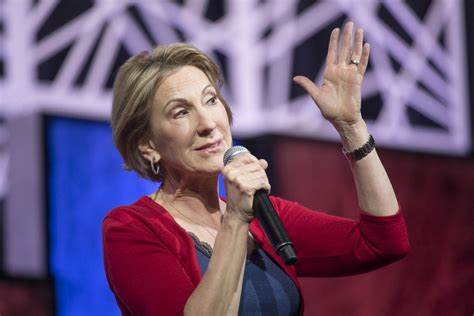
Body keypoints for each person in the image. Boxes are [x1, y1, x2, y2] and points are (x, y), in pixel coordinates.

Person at [102, 22, 410, 316]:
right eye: (181, 112)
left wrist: (351, 126)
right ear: (147, 144)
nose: (208, 124)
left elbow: (383, 243)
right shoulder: (131, 229)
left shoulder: (266, 216)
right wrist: (236, 220)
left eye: (211, 100)